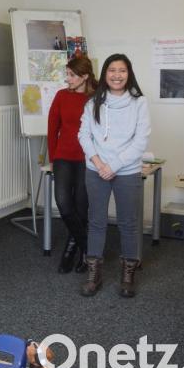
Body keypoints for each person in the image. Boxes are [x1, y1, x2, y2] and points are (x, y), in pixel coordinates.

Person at [78, 54, 150, 298]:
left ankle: (128, 274)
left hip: (127, 171)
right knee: (96, 222)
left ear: (129, 73)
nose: (117, 75)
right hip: (96, 169)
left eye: (122, 70)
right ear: (105, 74)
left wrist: (114, 165)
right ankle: (94, 274)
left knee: (128, 223)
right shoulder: (93, 102)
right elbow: (84, 135)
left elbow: (140, 141)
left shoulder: (139, 103)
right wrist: (99, 163)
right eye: (112, 70)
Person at [47, 56, 98, 274]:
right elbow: (52, 127)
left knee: (81, 206)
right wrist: (52, 157)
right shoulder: (61, 96)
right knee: (63, 203)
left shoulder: (97, 98)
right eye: (67, 74)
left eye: (71, 75)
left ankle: (70, 248)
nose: (67, 79)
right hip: (64, 157)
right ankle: (87, 247)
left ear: (84, 76)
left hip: (88, 158)